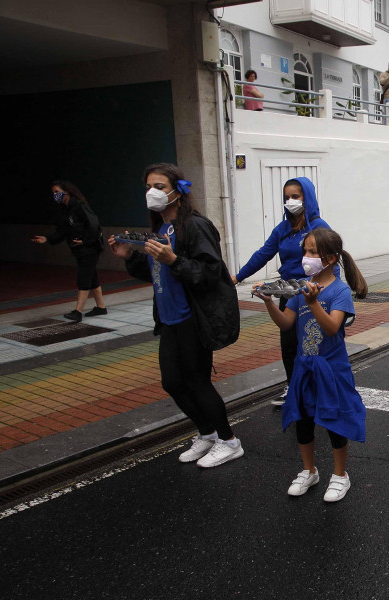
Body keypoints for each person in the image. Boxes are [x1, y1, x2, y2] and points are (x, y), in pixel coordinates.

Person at [110, 163, 242, 468]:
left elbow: (210, 272)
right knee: (172, 382)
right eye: (148, 187)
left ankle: (229, 441)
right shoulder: (161, 228)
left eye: (159, 186)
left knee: (197, 381)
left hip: (192, 319)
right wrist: (130, 257)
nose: (152, 193)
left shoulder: (195, 226)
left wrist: (174, 259)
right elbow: (155, 270)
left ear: (178, 192)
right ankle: (207, 434)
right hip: (169, 319)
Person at [254, 228, 368, 502]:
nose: (306, 256)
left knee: (334, 420)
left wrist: (314, 302)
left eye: (312, 252)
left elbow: (331, 328)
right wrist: (269, 302)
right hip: (304, 366)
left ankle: (340, 475)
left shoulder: (339, 291)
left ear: (329, 258)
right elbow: (287, 324)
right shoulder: (299, 286)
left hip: (332, 368)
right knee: (302, 420)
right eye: (305, 251)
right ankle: (309, 470)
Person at [232, 177, 332, 405]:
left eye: (295, 196)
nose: (290, 201)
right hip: (288, 294)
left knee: (312, 343)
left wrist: (326, 291)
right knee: (288, 344)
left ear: (307, 198)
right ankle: (293, 387)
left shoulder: (319, 227)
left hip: (311, 294)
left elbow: (330, 261)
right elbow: (263, 253)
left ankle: (318, 387)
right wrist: (238, 277)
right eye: (287, 197)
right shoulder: (283, 228)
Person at [31, 180, 106, 322]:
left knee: (84, 277)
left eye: (57, 192)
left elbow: (94, 225)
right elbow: (62, 231)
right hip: (79, 249)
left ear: (67, 192)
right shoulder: (65, 210)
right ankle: (101, 307)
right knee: (91, 276)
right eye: (53, 193)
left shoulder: (79, 206)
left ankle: (78, 311)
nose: (54, 195)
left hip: (89, 248)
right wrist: (47, 239)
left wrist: (85, 240)